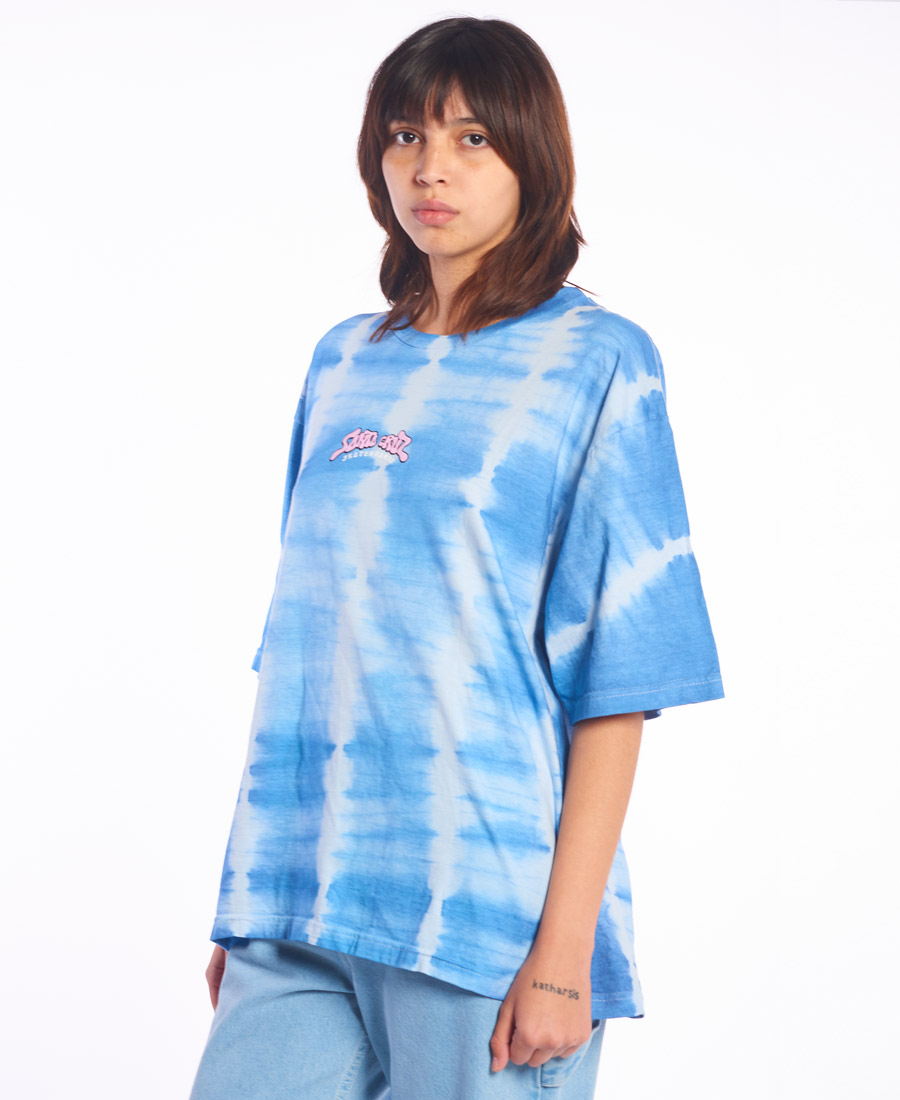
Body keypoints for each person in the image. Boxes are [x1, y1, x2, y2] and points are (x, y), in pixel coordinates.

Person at [188, 16, 724, 1100]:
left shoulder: (598, 361)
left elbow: (618, 681)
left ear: (533, 155)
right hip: (298, 904)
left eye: (472, 138)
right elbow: (307, 645)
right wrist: (245, 897)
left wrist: (564, 954)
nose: (430, 167)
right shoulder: (344, 360)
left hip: (483, 911)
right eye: (406, 135)